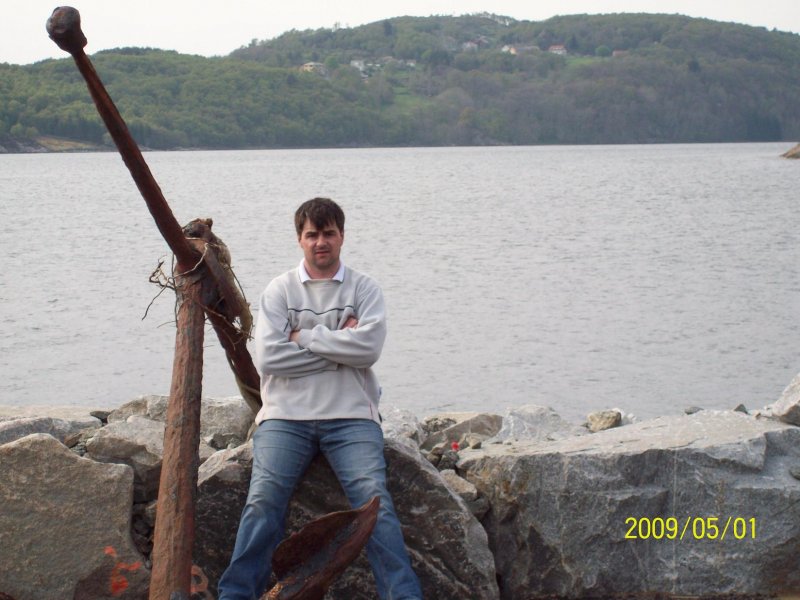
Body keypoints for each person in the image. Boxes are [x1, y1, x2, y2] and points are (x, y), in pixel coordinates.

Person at [217, 197, 422, 600]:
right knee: (262, 502)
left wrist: (304, 336)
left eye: (328, 233)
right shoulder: (280, 291)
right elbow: (269, 358)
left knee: (375, 503)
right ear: (300, 239)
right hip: (285, 418)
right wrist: (341, 345)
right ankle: (236, 595)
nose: (320, 242)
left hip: (352, 417)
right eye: (312, 234)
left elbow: (368, 350)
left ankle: (403, 595)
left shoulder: (365, 289)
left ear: (341, 236)